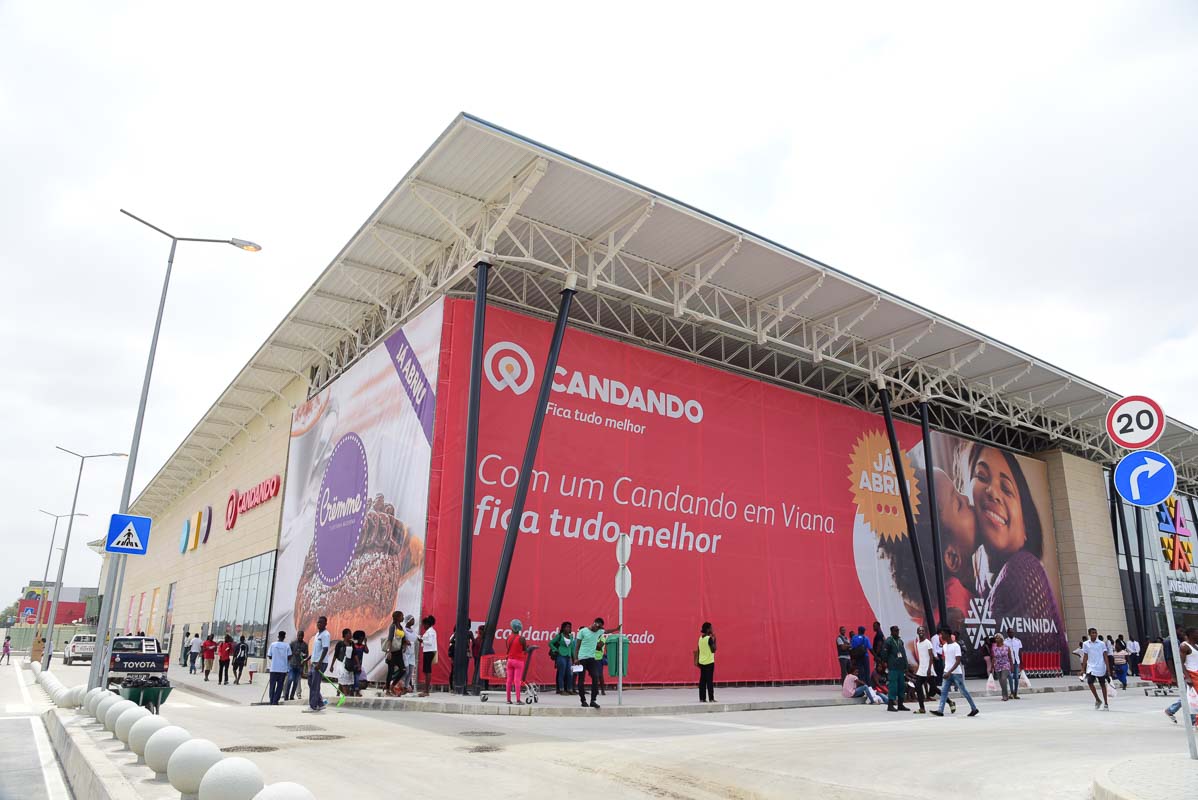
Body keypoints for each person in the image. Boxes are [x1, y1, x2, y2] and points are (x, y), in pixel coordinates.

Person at [573, 617, 622, 709]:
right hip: (581, 658)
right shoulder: (583, 631)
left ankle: (593, 700)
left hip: (592, 658)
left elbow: (606, 631)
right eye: (597, 626)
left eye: (599, 628)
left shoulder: (599, 631)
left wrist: (616, 629)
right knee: (581, 680)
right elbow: (577, 646)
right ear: (594, 623)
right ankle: (583, 700)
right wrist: (576, 658)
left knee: (596, 677)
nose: (597, 629)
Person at [931, 627, 979, 717]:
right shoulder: (944, 646)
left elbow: (958, 661)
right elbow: (946, 660)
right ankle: (940, 710)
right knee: (944, 692)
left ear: (948, 634)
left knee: (963, 691)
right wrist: (946, 670)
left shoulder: (956, 646)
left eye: (942, 634)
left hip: (956, 673)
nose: (941, 636)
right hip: (947, 672)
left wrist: (949, 671)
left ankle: (974, 708)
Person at [1164, 629, 1198, 724]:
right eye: (1196, 633)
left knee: (1189, 696)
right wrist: (1185, 676)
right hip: (1190, 674)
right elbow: (1179, 662)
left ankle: (1171, 710)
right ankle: (1193, 720)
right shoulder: (1183, 646)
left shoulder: (1195, 646)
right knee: (1191, 697)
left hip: (1195, 674)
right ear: (1190, 634)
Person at [877, 625, 909, 712]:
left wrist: (906, 665)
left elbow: (903, 654)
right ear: (891, 632)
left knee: (901, 686)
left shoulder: (900, 641)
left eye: (898, 630)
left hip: (901, 668)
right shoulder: (889, 641)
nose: (897, 632)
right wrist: (885, 662)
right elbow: (884, 653)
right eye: (895, 631)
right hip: (893, 667)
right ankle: (890, 705)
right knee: (893, 686)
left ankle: (900, 705)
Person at [1080, 627, 1112, 711]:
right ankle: (1097, 699)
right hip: (1091, 667)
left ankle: (1106, 703)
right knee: (1090, 682)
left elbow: (1105, 656)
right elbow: (1085, 656)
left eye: (1095, 633)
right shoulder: (1086, 644)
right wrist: (1083, 669)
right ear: (1089, 634)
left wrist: (1108, 669)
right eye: (1092, 633)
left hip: (1100, 666)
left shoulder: (1101, 643)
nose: (1094, 634)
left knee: (1102, 684)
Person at [910, 626, 939, 714]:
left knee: (934, 689)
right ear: (917, 632)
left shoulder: (928, 643)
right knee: (918, 687)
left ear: (925, 632)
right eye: (919, 631)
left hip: (928, 669)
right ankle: (922, 708)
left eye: (922, 630)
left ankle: (950, 702)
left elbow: (931, 657)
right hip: (921, 669)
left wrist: (929, 669)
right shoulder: (918, 643)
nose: (921, 632)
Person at [306, 616, 331, 712]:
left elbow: (325, 649)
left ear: (325, 624)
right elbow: (316, 650)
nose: (318, 624)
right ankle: (320, 703)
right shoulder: (317, 635)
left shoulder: (325, 635)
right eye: (318, 622)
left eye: (321, 622)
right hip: (314, 662)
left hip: (320, 663)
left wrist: (320, 663)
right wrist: (307, 659)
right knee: (310, 682)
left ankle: (313, 706)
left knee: (315, 684)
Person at [505, 619, 530, 704]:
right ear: (520, 629)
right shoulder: (522, 639)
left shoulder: (508, 638)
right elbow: (524, 650)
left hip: (510, 661)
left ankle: (508, 699)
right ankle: (518, 700)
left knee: (509, 680)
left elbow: (508, 648)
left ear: (511, 627)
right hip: (519, 661)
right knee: (517, 681)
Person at [384, 611, 406, 696]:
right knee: (390, 671)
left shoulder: (400, 627)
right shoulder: (393, 627)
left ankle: (392, 686)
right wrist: (389, 651)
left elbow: (403, 638)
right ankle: (387, 690)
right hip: (392, 651)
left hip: (399, 652)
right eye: (401, 616)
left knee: (403, 670)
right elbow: (390, 639)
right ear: (397, 617)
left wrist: (405, 643)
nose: (403, 618)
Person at [550, 622, 575, 695]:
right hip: (561, 656)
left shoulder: (571, 637)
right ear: (563, 628)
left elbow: (572, 648)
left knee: (570, 674)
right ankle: (561, 689)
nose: (568, 628)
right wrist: (555, 650)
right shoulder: (559, 636)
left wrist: (574, 658)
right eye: (566, 627)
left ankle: (569, 689)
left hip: (568, 656)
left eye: (569, 627)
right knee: (562, 673)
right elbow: (550, 643)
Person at [267, 631, 290, 705]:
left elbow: (269, 656)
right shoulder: (287, 646)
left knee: (272, 685)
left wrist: (275, 657)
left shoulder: (273, 645)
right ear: (284, 637)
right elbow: (289, 656)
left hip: (274, 668)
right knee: (280, 686)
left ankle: (271, 700)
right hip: (282, 669)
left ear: (278, 636)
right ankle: (275, 701)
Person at [696, 622, 717, 703]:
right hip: (709, 662)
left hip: (702, 662)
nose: (712, 629)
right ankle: (711, 698)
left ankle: (702, 698)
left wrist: (698, 661)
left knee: (702, 681)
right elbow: (713, 650)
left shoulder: (700, 638)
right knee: (709, 681)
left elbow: (698, 650)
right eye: (711, 628)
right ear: (708, 629)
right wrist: (715, 639)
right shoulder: (709, 639)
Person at [418, 615, 437, 697]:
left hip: (429, 652)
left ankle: (426, 690)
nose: (423, 626)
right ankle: (426, 689)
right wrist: (422, 641)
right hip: (427, 651)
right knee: (426, 671)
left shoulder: (431, 632)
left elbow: (430, 642)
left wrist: (422, 640)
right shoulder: (429, 631)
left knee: (428, 671)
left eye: (424, 624)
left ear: (428, 624)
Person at [333, 628, 356, 697]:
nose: (351, 635)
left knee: (347, 680)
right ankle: (345, 695)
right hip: (341, 664)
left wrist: (357, 664)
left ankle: (339, 692)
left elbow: (355, 654)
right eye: (349, 633)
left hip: (349, 664)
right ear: (345, 635)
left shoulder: (352, 643)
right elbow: (335, 655)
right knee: (343, 678)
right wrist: (332, 665)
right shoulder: (340, 644)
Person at [286, 630, 308, 701]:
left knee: (296, 682)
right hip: (292, 665)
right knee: (290, 679)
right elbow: (288, 652)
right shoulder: (292, 643)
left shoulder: (305, 645)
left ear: (303, 636)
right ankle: (286, 695)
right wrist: (294, 653)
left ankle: (292, 696)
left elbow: (306, 655)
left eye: (301, 636)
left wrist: (304, 656)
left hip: (300, 666)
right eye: (299, 635)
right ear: (297, 635)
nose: (300, 637)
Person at [991, 633, 1013, 701]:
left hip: (1005, 665)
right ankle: (1004, 694)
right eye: (996, 638)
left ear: (1001, 639)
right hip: (997, 665)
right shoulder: (994, 648)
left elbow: (1010, 657)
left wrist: (1011, 666)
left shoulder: (1007, 647)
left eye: (998, 638)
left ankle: (1005, 696)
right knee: (1001, 681)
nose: (996, 639)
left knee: (1003, 679)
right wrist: (992, 666)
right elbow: (993, 657)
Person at [1005, 628, 1023, 699]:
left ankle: (1015, 693)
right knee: (1010, 677)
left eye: (1012, 632)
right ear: (1007, 633)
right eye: (1010, 632)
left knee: (1016, 677)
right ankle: (1011, 693)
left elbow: (1020, 652)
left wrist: (1021, 662)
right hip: (1009, 662)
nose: (1011, 633)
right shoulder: (1005, 642)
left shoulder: (1018, 641)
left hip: (1016, 662)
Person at [403, 615, 418, 693]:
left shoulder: (413, 630)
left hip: (412, 652)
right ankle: (401, 685)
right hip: (406, 652)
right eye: (412, 620)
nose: (413, 621)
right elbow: (401, 639)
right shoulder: (404, 630)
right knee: (406, 670)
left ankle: (405, 687)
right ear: (408, 621)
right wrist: (405, 641)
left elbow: (416, 638)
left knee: (411, 671)